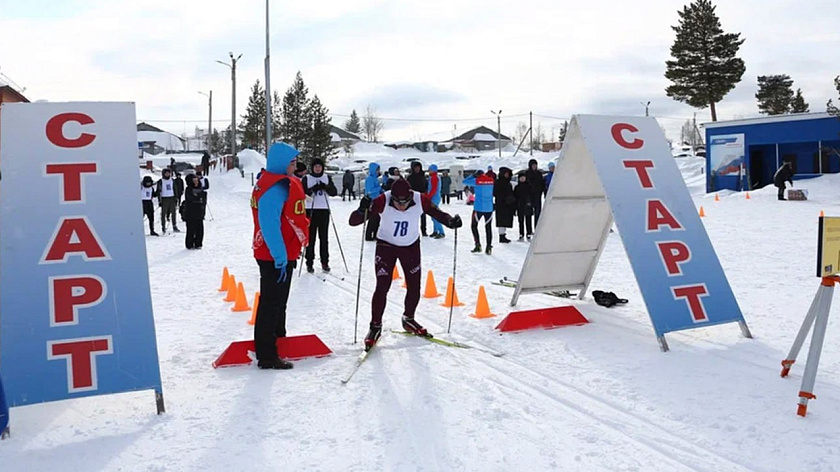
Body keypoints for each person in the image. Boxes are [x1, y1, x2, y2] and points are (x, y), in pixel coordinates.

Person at [349, 178, 462, 350]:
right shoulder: (382, 200)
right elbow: (353, 221)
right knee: (382, 286)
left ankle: (408, 318)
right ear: (392, 197)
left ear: (410, 197)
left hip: (410, 246)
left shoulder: (420, 199)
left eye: (405, 202)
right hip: (386, 246)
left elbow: (437, 213)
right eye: (397, 202)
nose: (401, 206)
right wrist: (361, 209)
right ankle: (375, 326)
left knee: (414, 286)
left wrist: (451, 221)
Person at [251, 142, 310, 370]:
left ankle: (278, 339)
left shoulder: (277, 183)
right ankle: (266, 355)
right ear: (280, 162)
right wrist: (279, 255)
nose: (295, 166)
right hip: (274, 255)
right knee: (270, 303)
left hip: (283, 252)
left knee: (278, 302)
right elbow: (269, 225)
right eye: (291, 162)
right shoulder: (274, 188)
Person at [302, 158, 338, 272]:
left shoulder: (327, 177)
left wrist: (326, 187)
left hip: (324, 210)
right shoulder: (307, 178)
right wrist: (313, 189)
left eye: (319, 166)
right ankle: (309, 262)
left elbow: (334, 192)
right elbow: (301, 193)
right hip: (310, 210)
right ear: (312, 168)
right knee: (311, 238)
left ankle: (325, 262)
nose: (318, 168)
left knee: (324, 238)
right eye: (315, 166)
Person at [463, 170, 494, 254]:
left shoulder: (476, 181)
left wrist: (472, 176)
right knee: (488, 228)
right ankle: (488, 247)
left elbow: (464, 181)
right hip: (489, 208)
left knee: (474, 226)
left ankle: (478, 245)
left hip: (479, 208)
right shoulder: (491, 180)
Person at [183, 173, 207, 249]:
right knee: (190, 229)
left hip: (199, 212)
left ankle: (198, 243)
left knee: (199, 229)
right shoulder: (188, 189)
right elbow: (191, 199)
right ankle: (190, 244)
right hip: (190, 212)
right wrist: (198, 198)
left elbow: (203, 199)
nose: (196, 182)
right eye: (194, 180)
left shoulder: (201, 188)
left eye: (197, 180)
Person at [493, 167, 515, 243]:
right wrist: (504, 197)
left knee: (506, 220)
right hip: (501, 204)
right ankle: (501, 235)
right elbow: (495, 193)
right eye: (506, 173)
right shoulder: (498, 182)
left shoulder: (508, 183)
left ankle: (503, 235)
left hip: (508, 204)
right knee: (501, 220)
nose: (507, 175)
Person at [407, 161, 429, 236]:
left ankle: (424, 230)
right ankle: (412, 231)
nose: (417, 169)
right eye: (416, 167)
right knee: (413, 215)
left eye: (418, 167)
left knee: (423, 215)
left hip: (422, 197)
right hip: (413, 198)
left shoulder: (423, 176)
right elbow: (408, 188)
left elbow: (426, 185)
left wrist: (425, 193)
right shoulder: (410, 177)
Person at [156, 168, 180, 233]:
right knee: (163, 213)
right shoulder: (161, 181)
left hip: (171, 197)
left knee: (173, 213)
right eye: (166, 173)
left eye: (168, 173)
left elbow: (175, 189)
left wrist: (176, 197)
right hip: (164, 198)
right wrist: (159, 200)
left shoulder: (172, 180)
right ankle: (163, 226)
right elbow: (158, 191)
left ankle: (174, 225)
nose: (167, 174)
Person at [364, 163, 383, 241]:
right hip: (371, 201)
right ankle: (369, 235)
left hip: (377, 200)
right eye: (377, 169)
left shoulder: (375, 178)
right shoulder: (370, 179)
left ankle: (375, 234)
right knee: (373, 218)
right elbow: (369, 191)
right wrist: (379, 188)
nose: (378, 171)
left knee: (377, 219)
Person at [525, 159, 545, 227]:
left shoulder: (539, 173)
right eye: (533, 165)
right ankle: (529, 230)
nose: (534, 166)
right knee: (529, 214)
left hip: (537, 195)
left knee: (538, 212)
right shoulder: (527, 173)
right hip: (529, 196)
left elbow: (542, 183)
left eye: (535, 165)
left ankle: (537, 227)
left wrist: (542, 190)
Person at [514, 171, 534, 241]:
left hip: (528, 205)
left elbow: (532, 195)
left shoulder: (529, 186)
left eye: (523, 177)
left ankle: (528, 234)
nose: (522, 179)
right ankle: (521, 235)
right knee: (521, 221)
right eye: (521, 178)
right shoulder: (517, 187)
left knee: (528, 221)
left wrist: (531, 203)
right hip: (520, 206)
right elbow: (515, 197)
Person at [427, 164, 445, 238]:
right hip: (435, 197)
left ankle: (441, 232)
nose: (429, 171)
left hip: (434, 198)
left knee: (435, 215)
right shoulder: (435, 177)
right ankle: (435, 230)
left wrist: (428, 197)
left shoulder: (434, 178)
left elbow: (433, 189)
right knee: (433, 215)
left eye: (430, 170)